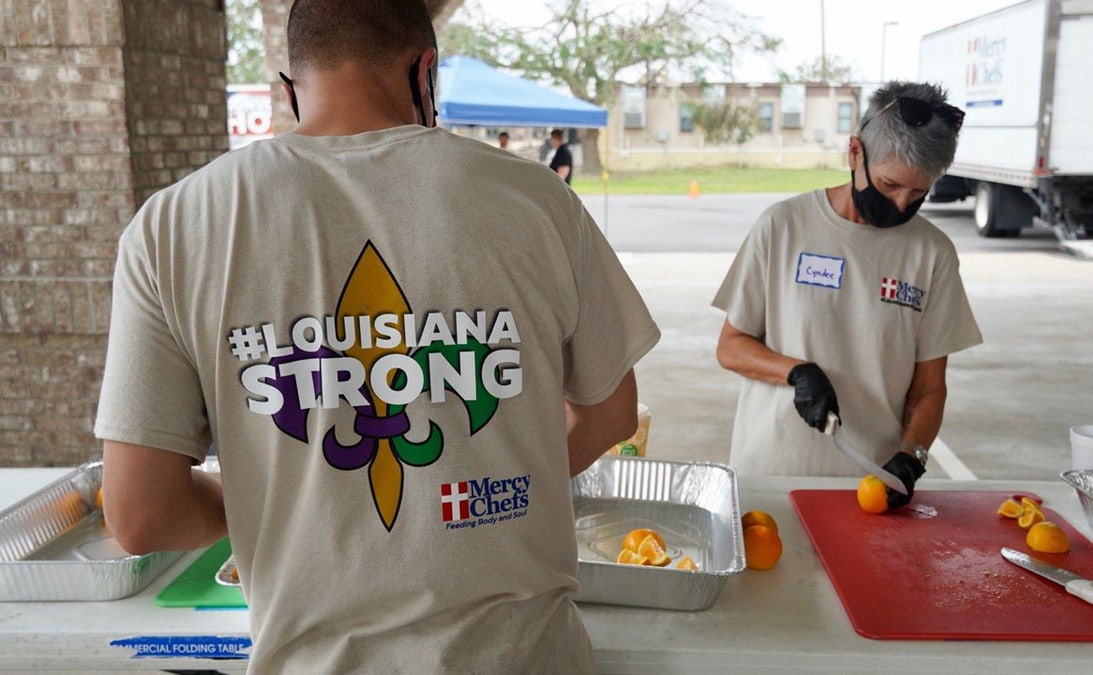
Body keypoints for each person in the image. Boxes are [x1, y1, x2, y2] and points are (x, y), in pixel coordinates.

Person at [93, 1, 660, 672]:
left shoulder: (174, 226)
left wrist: (272, 501)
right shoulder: (537, 199)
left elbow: (139, 515)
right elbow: (611, 415)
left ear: (289, 88)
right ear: (427, 74)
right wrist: (474, 486)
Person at [712, 81, 982, 508]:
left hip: (870, 485)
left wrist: (912, 456)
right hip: (770, 475)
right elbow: (731, 347)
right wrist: (796, 371)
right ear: (855, 152)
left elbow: (930, 387)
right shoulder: (783, 227)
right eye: (889, 184)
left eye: (918, 193)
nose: (898, 204)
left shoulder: (932, 253)